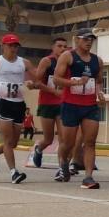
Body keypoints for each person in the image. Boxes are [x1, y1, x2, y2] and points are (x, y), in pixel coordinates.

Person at [0, 34, 39, 184]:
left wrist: (32, 83)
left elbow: (37, 77)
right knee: (9, 141)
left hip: (19, 104)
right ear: (3, 46)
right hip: (3, 102)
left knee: (14, 143)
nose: (13, 48)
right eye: (10, 45)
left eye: (16, 46)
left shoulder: (24, 63)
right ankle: (14, 173)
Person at [53, 28, 105, 189]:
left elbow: (98, 80)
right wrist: (74, 83)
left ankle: (88, 177)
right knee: (68, 143)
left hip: (90, 106)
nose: (89, 42)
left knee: (90, 142)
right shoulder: (68, 56)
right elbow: (56, 79)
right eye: (85, 39)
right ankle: (63, 163)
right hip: (70, 105)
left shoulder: (98, 60)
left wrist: (100, 92)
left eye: (91, 39)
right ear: (77, 40)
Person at [30, 35, 68, 169]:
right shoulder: (47, 61)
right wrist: (53, 91)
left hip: (62, 103)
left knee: (64, 138)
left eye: (64, 46)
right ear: (53, 47)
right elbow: (37, 82)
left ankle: (62, 167)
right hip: (46, 103)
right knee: (48, 139)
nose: (62, 49)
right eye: (59, 46)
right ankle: (38, 150)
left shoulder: (68, 62)